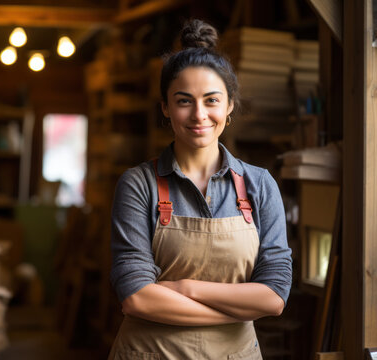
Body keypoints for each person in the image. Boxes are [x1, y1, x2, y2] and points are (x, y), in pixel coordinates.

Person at [109, 19, 292, 360]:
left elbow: (274, 295)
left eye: (211, 100)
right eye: (183, 101)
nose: (199, 115)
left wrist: (184, 287)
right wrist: (235, 311)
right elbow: (136, 296)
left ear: (230, 105)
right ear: (165, 107)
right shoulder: (138, 185)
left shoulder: (259, 184)